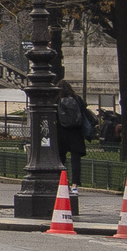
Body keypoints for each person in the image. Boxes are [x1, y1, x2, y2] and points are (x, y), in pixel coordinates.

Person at [56, 80, 95, 214]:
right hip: (76, 133)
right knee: (75, 160)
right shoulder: (77, 99)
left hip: (61, 133)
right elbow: (84, 114)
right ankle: (75, 186)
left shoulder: (57, 99)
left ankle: (63, 183)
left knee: (61, 160)